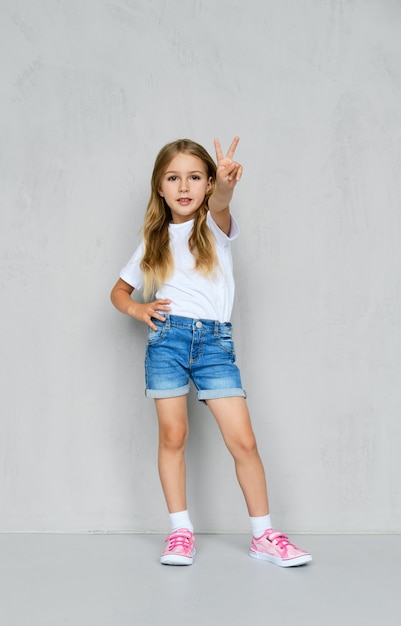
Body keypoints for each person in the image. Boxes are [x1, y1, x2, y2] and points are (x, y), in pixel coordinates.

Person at [110, 136, 312, 568]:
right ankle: (180, 531)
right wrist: (138, 308)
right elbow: (119, 291)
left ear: (205, 186)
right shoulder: (154, 239)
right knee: (173, 436)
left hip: (215, 344)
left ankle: (264, 536)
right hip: (167, 342)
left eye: (195, 177)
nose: (184, 186)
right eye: (174, 177)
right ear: (160, 187)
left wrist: (224, 183)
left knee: (244, 440)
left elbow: (222, 199)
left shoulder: (214, 226)